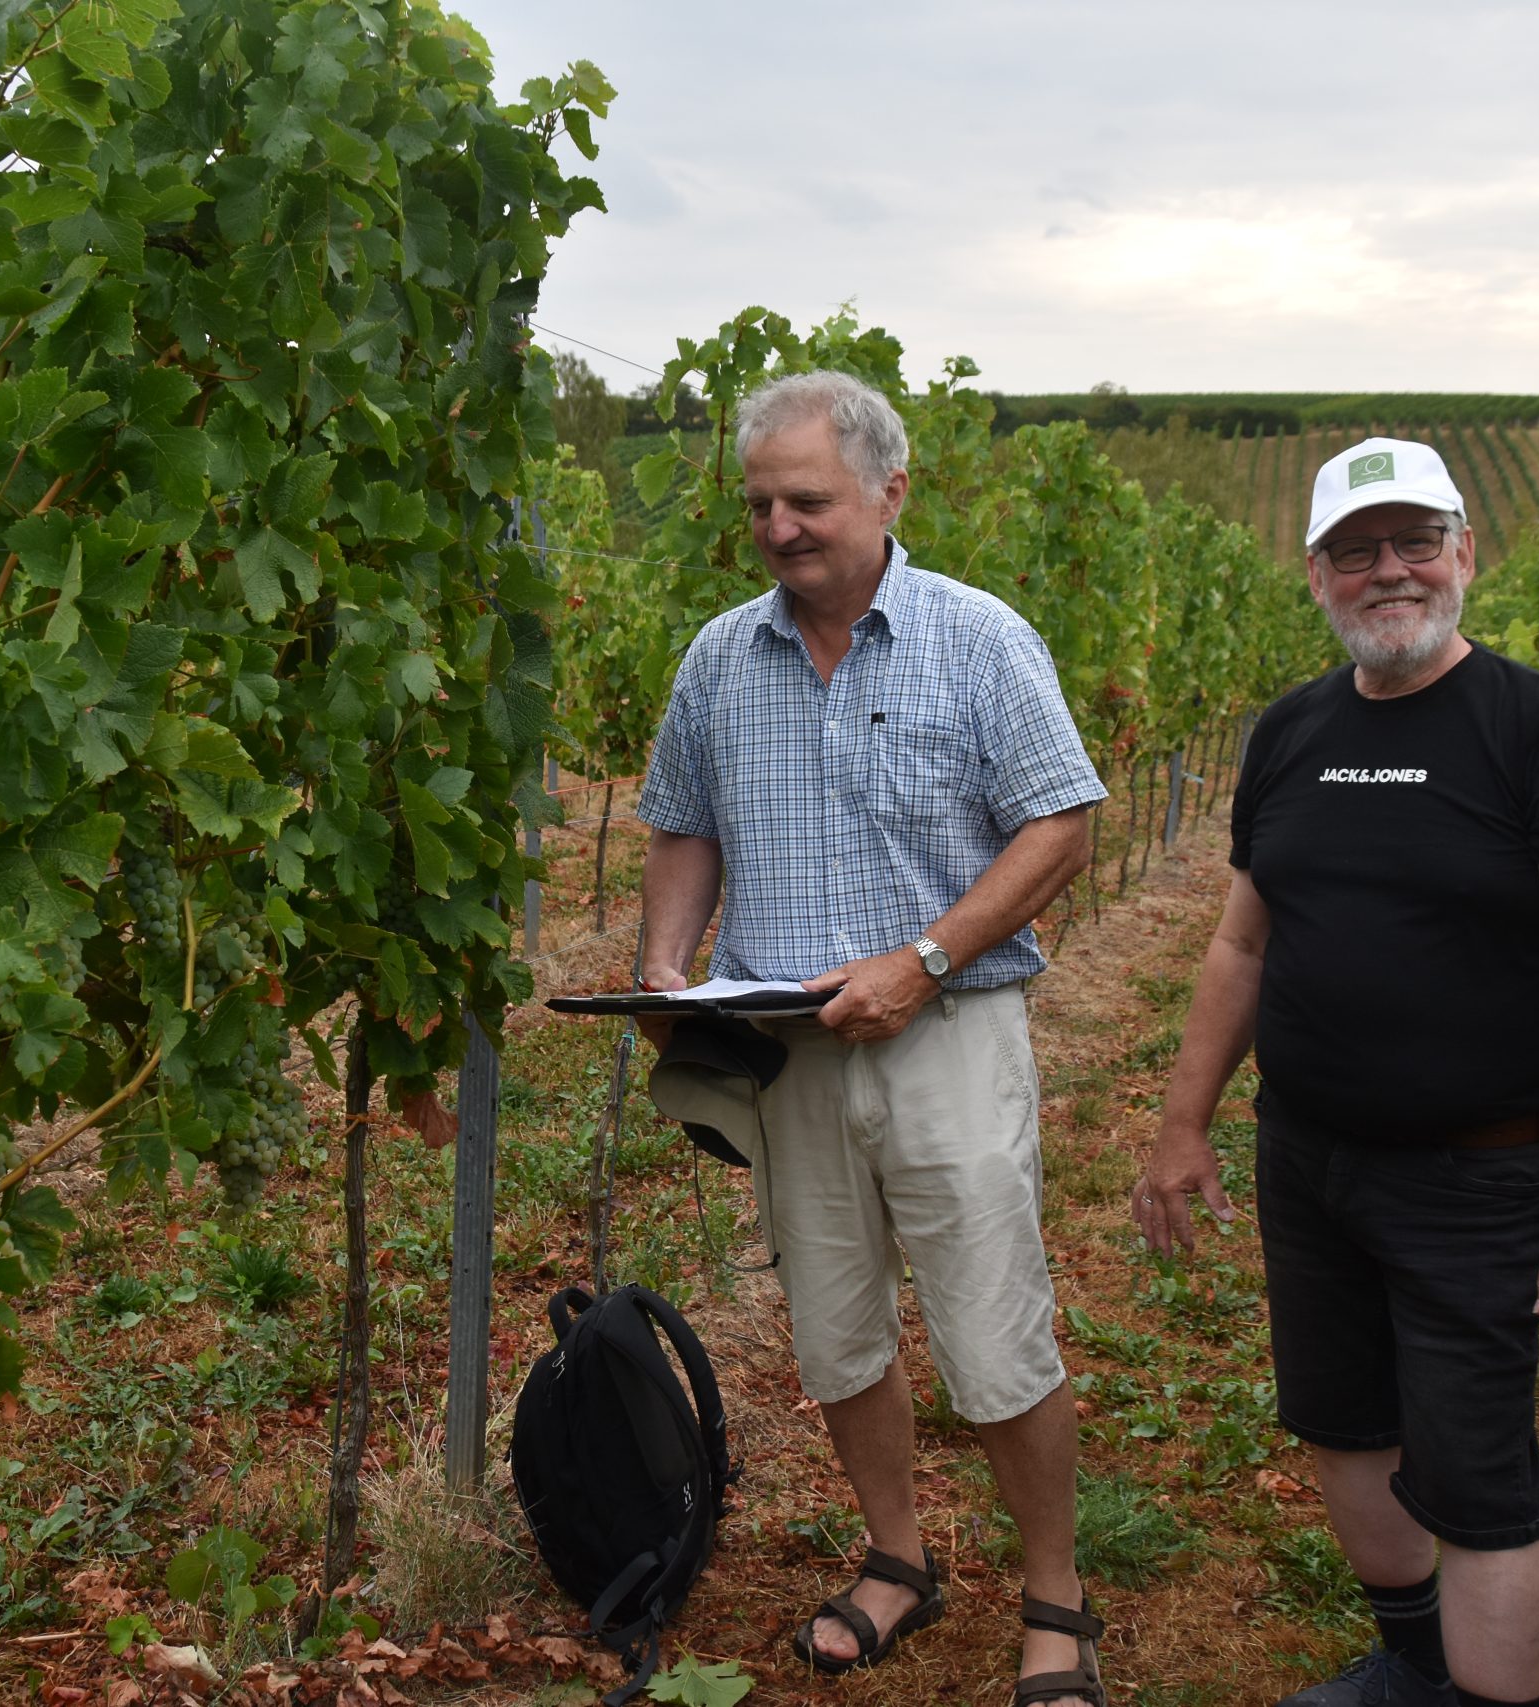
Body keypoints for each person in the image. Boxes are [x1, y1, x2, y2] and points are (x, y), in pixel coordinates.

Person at [1134, 437, 1539, 1707]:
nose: (1389, 571)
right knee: (1340, 1419)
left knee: (1476, 1476)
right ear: (1314, 574)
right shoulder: (1292, 731)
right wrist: (1182, 1124)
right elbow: (1241, 939)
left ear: (1464, 553)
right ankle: (1414, 1664)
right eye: (1356, 550)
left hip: (1478, 1176)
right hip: (1307, 1157)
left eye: (1414, 541)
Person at [635, 369, 1112, 1707]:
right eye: (760, 504)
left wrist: (926, 957)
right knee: (838, 1330)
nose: (781, 526)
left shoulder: (981, 639)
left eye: (809, 499)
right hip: (788, 1049)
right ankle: (897, 1558)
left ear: (891, 492)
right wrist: (668, 957)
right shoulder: (720, 656)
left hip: (947, 1032)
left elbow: (1061, 825)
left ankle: (1057, 1597)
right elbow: (683, 821)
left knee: (994, 1331)